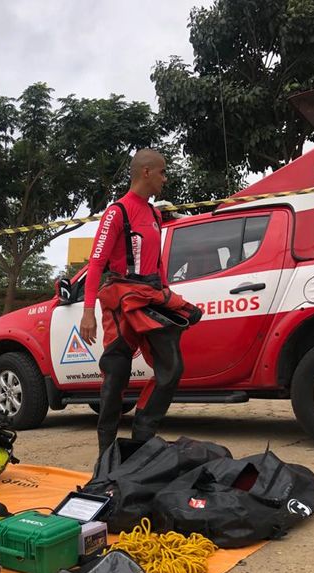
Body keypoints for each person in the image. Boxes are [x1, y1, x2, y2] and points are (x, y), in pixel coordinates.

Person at [79, 148, 202, 456]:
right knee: (116, 372)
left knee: (171, 368)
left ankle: (142, 438)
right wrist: (88, 312)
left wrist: (167, 299)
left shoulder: (154, 213)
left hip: (150, 296)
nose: (165, 178)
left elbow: (157, 263)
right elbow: (95, 264)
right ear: (146, 172)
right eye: (162, 172)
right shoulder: (117, 212)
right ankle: (106, 454)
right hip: (121, 300)